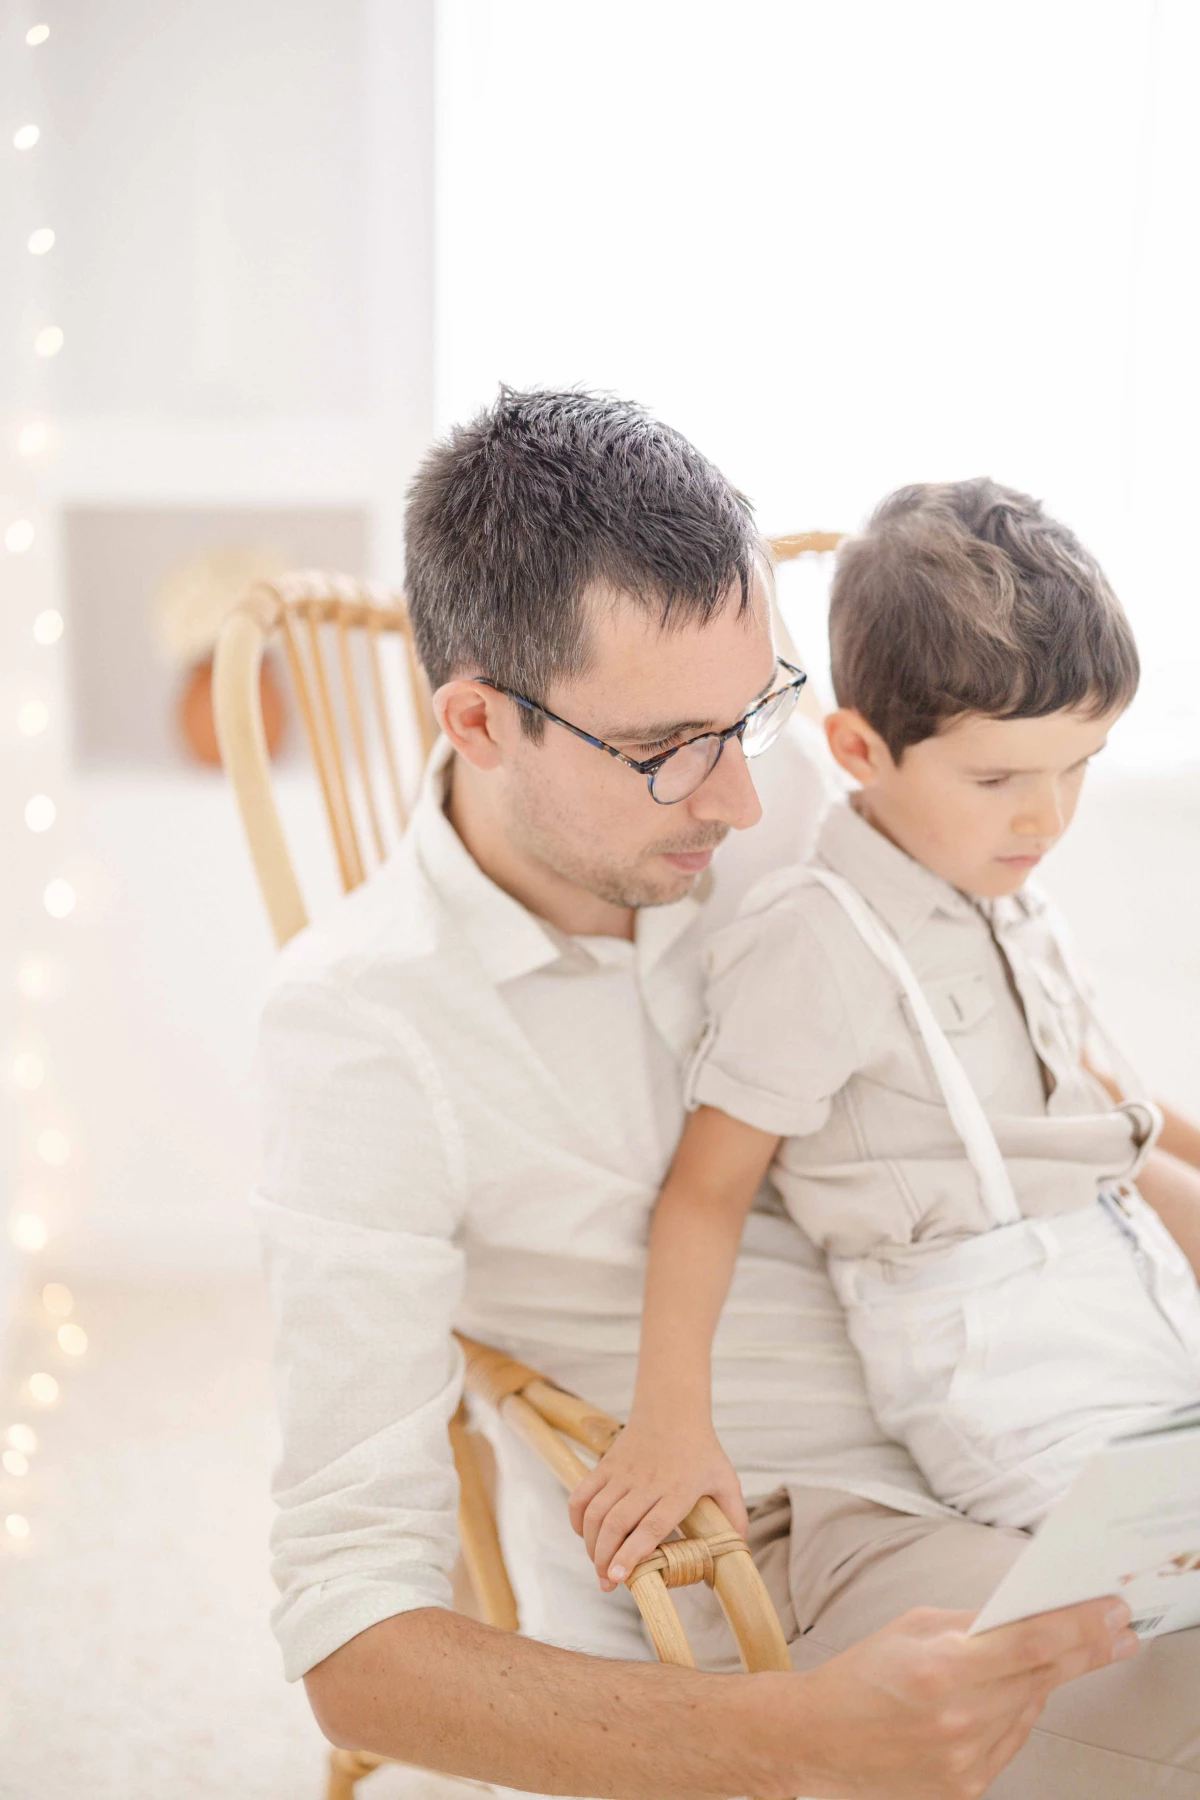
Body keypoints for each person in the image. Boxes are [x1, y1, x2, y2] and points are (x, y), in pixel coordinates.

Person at [256, 394, 1185, 1800]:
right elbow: (350, 1634)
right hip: (802, 1545)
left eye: (757, 712)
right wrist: (795, 1738)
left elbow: (1055, 1069)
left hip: (1053, 1383)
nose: (750, 803)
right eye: (673, 746)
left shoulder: (805, 795)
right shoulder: (365, 1032)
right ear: (480, 720)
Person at [571, 480, 1200, 1604]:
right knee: (1165, 1578)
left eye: (1080, 765)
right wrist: (670, 1423)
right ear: (860, 749)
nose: (1047, 817)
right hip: (1002, 1356)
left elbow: (1098, 1093)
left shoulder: (1002, 882)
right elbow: (706, 1193)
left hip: (1123, 1281)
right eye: (1002, 776)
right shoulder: (819, 943)